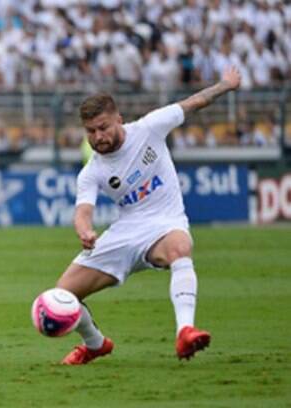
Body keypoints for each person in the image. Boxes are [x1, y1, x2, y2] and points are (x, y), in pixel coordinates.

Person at [56, 66, 241, 365]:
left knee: (180, 248)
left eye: (103, 127)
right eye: (90, 131)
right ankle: (95, 344)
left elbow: (194, 102)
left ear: (119, 119)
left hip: (165, 223)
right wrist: (85, 231)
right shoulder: (92, 171)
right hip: (125, 231)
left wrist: (226, 84)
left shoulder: (150, 127)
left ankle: (185, 331)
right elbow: (83, 211)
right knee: (60, 297)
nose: (98, 136)